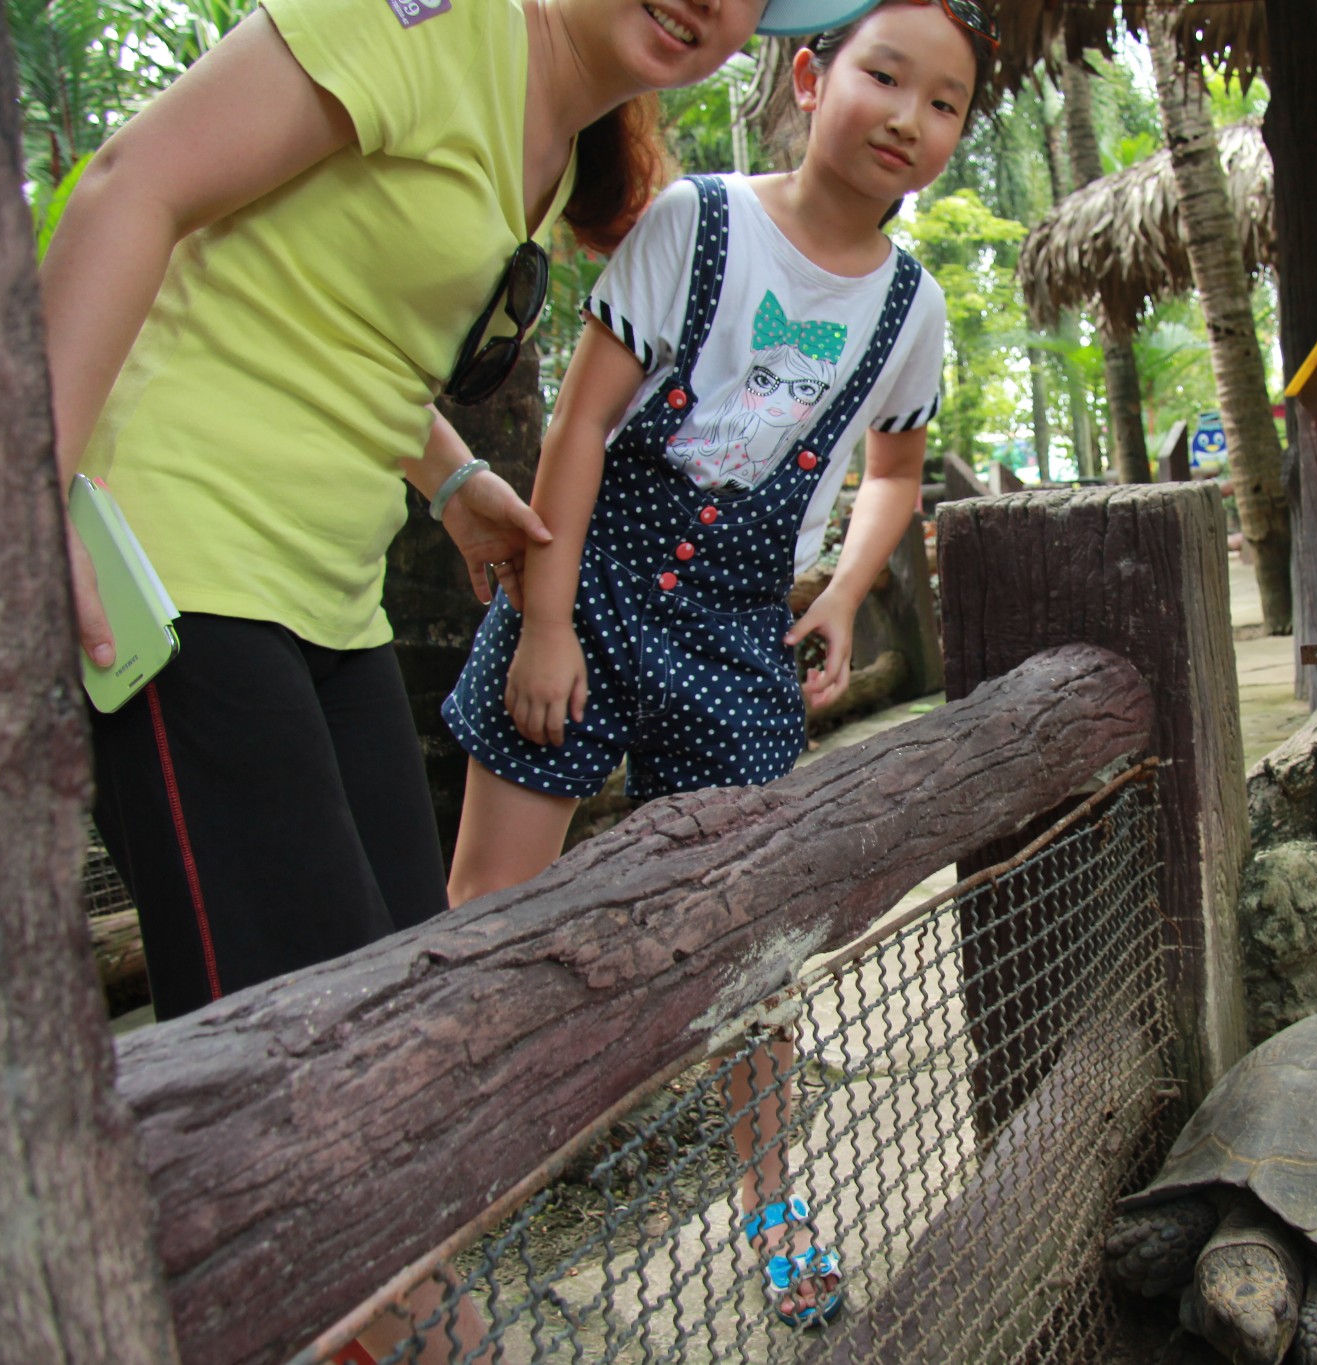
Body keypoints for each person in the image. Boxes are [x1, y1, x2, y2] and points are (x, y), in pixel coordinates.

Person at [40, 0, 881, 1357]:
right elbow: (139, 181)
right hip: (174, 551)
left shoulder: (558, 147)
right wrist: (33, 487)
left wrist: (453, 479)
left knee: (402, 1017)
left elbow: (325, 313)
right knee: (293, 1084)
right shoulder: (430, 17)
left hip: (328, 585)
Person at [437, 0, 995, 1328]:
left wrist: (848, 592)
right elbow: (575, 427)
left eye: (946, 104)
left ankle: (770, 1196)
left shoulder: (910, 313)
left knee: (755, 940)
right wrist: (551, 620)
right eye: (885, 77)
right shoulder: (700, 223)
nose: (909, 119)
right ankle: (459, 1211)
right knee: (484, 907)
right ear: (811, 76)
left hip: (742, 629)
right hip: (593, 576)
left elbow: (895, 473)